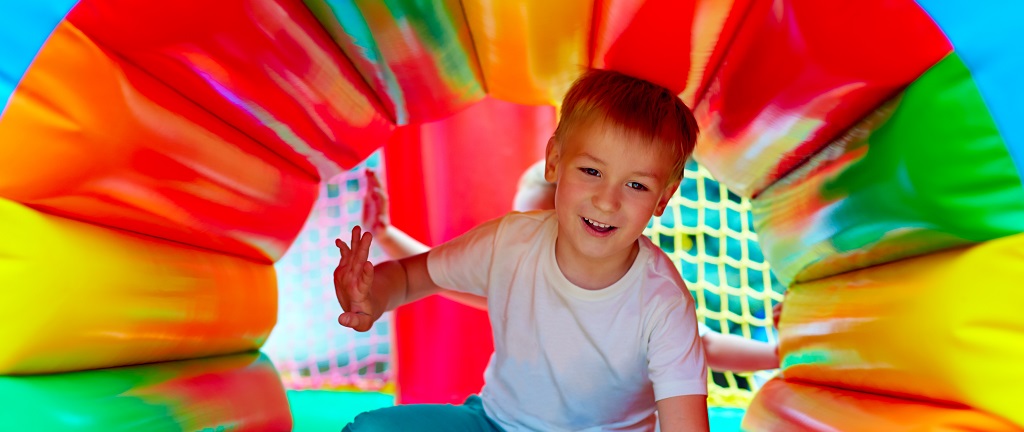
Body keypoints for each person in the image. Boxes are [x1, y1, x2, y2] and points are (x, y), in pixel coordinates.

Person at [334, 69, 709, 431]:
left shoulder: (663, 303)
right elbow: (410, 275)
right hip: (496, 423)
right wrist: (371, 296)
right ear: (555, 161)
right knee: (372, 427)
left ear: (664, 197)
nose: (607, 202)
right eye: (591, 172)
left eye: (637, 186)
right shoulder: (511, 243)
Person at [363, 164, 779, 373]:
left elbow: (704, 348)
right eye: (525, 232)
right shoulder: (520, 286)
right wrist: (384, 235)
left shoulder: (634, 297)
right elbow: (438, 275)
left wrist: (777, 354)